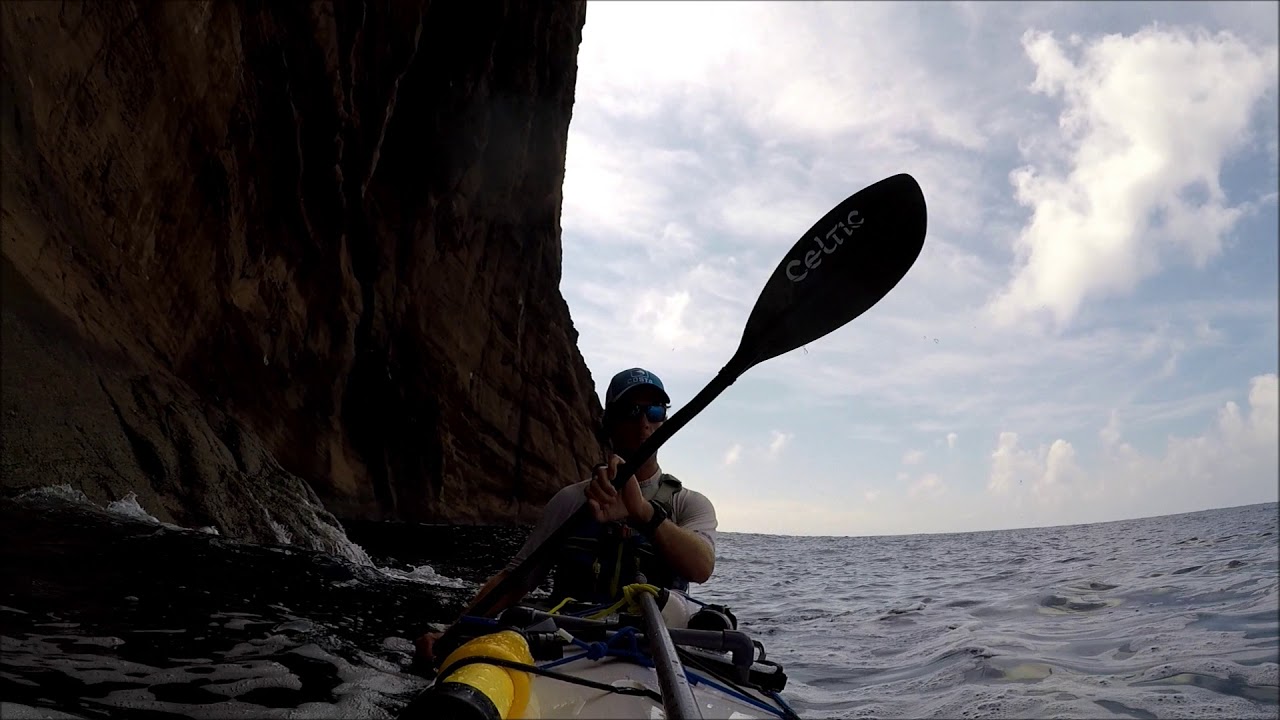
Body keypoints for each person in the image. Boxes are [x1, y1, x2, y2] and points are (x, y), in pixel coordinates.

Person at [414, 367, 718, 662]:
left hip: (653, 651)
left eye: (653, 411)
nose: (643, 423)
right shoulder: (570, 501)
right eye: (630, 410)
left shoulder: (689, 505)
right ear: (609, 422)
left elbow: (701, 567)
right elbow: (515, 580)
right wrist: (453, 633)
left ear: (664, 419)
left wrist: (642, 512)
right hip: (570, 644)